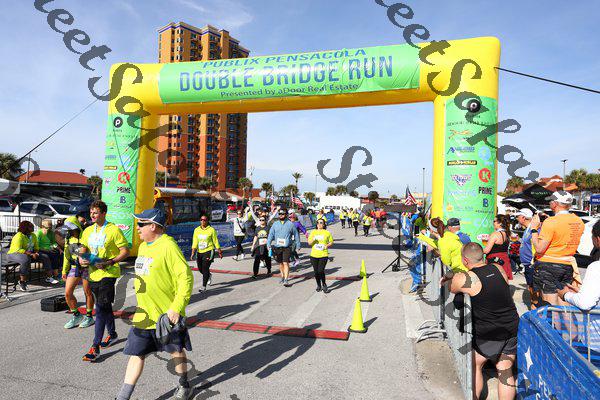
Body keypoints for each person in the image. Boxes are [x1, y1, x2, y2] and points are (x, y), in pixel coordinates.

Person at [116, 207, 194, 400]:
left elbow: (185, 278)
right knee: (136, 354)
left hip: (166, 316)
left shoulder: (168, 246)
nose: (137, 228)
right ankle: (123, 396)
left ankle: (184, 384)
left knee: (175, 351)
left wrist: (176, 308)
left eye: (141, 224)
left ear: (153, 226)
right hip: (144, 315)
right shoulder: (143, 247)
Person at [442, 243, 519, 400]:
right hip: (511, 326)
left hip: (489, 332)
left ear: (465, 260)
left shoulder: (467, 278)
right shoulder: (498, 268)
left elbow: (451, 287)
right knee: (505, 370)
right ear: (482, 256)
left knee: (475, 365)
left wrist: (450, 276)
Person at [80, 200, 130, 362]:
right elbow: (83, 249)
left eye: (95, 212)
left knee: (100, 308)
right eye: (91, 212)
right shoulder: (88, 230)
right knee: (104, 305)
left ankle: (95, 347)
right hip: (92, 273)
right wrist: (82, 258)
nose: (92, 215)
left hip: (109, 273)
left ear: (103, 213)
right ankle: (113, 334)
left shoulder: (113, 230)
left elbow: (125, 251)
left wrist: (110, 262)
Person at [530, 191, 585, 306]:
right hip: (567, 264)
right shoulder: (578, 221)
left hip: (548, 265)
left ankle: (553, 319)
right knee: (564, 300)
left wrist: (534, 229)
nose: (549, 203)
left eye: (550, 201)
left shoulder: (551, 221)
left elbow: (539, 248)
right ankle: (566, 319)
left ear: (554, 204)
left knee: (550, 305)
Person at [558, 219, 600, 353]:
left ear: (598, 239)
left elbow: (585, 303)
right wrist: (582, 292)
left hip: (595, 346)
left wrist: (565, 295)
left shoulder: (596, 267)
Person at [61, 219, 95, 329]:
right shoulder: (68, 238)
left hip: (87, 268)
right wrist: (64, 270)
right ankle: (76, 315)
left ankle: (89, 317)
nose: (70, 231)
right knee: (68, 293)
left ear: (77, 227)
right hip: (74, 267)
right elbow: (66, 255)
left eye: (71, 228)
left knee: (87, 292)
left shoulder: (86, 235)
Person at [6, 220, 56, 291]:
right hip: (14, 254)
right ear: (25, 228)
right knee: (25, 259)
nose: (33, 228)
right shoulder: (19, 236)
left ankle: (49, 277)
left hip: (29, 253)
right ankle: (22, 281)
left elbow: (36, 247)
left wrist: (36, 252)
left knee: (45, 257)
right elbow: (18, 249)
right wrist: (31, 254)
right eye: (31, 227)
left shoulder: (33, 235)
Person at [266, 208, 300, 287]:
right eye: (280, 214)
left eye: (283, 214)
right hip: (277, 247)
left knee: (285, 262)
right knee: (281, 263)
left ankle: (286, 280)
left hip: (286, 247)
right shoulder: (275, 224)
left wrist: (298, 245)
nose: (281, 215)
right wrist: (268, 244)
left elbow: (296, 234)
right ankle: (282, 276)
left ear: (286, 215)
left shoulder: (290, 224)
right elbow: (271, 234)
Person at [190, 214, 223, 291]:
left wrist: (219, 251)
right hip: (199, 251)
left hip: (209, 251)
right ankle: (208, 275)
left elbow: (215, 241)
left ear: (207, 221)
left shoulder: (211, 230)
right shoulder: (196, 230)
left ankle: (203, 286)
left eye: (204, 220)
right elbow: (195, 242)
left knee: (205, 268)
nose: (202, 221)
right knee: (200, 268)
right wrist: (193, 253)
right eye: (201, 220)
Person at [516, 208, 538, 308]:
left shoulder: (534, 229)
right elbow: (529, 243)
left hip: (531, 263)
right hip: (527, 263)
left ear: (523, 217)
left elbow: (537, 245)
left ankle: (535, 308)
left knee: (534, 288)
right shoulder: (527, 229)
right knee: (530, 286)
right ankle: (534, 307)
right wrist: (519, 240)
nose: (517, 218)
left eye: (518, 216)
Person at [483, 214, 513, 280]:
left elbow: (486, 250)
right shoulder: (507, 234)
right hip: (504, 260)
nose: (493, 223)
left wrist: (477, 250)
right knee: (502, 281)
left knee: (492, 281)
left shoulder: (495, 234)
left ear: (500, 223)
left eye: (494, 221)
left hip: (494, 261)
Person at [308, 218, 334, 292]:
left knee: (320, 271)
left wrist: (327, 246)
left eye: (321, 223)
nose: (319, 224)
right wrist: (314, 239)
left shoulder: (327, 233)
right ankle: (318, 285)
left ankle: (324, 284)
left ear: (324, 224)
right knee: (316, 272)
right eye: (318, 223)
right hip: (314, 255)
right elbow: (309, 243)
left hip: (323, 254)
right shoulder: (313, 232)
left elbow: (331, 242)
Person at [35, 219, 62, 283]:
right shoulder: (39, 233)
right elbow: (36, 246)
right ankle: (49, 277)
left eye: (50, 227)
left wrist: (59, 248)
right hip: (40, 250)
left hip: (49, 250)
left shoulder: (51, 233)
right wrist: (46, 249)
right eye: (47, 228)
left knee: (58, 254)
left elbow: (53, 243)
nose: (49, 229)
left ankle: (56, 274)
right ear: (42, 226)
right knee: (46, 257)